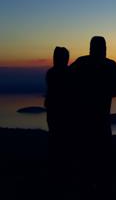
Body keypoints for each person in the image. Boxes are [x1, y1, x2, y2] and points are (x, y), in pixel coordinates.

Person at [69, 36, 116, 194]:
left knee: (85, 155)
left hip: (83, 119)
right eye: (103, 47)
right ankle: (100, 188)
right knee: (102, 155)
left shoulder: (81, 63)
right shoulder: (110, 65)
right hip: (100, 118)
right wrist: (103, 91)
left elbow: (67, 81)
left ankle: (86, 187)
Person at [44, 46, 71, 195]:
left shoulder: (51, 73)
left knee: (55, 142)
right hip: (63, 115)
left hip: (54, 113)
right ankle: (61, 177)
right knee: (63, 144)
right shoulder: (68, 74)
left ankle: (55, 175)